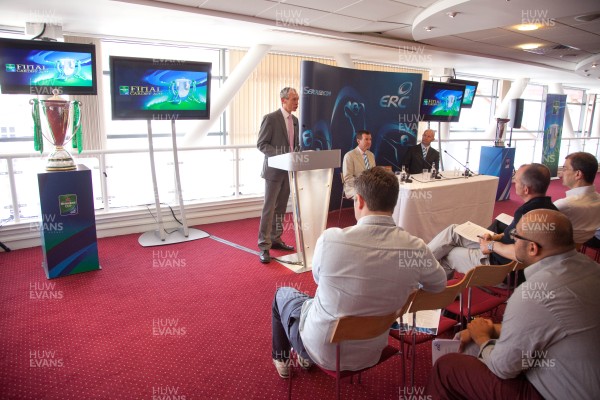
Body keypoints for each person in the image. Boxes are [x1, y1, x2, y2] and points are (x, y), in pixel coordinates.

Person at [270, 167, 447, 378]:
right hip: (371, 352)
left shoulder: (331, 239)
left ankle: (281, 357)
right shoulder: (416, 248)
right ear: (393, 203)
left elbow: (318, 279)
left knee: (282, 295)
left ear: (360, 200)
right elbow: (438, 285)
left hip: (323, 350)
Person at [427, 209, 600, 399]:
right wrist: (493, 328)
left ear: (533, 248)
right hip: (578, 375)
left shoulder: (533, 293)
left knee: (448, 365)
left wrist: (483, 337)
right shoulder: (593, 269)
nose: (511, 241)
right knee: (471, 343)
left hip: (559, 390)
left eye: (515, 237)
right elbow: (547, 328)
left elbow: (503, 368)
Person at [428, 163, 557, 277]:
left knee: (447, 254)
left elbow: (520, 252)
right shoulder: (552, 210)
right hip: (500, 251)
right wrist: (494, 238)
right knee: (454, 230)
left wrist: (490, 245)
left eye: (516, 180)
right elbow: (515, 238)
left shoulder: (526, 214)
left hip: (498, 264)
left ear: (526, 189)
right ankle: (420, 263)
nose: (514, 183)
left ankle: (433, 289)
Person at [257, 87, 299, 264]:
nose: (297, 102)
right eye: (294, 99)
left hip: (288, 171)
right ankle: (264, 246)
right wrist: (281, 156)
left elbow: (293, 145)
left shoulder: (295, 120)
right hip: (273, 171)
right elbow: (262, 144)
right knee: (269, 209)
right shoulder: (271, 118)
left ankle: (276, 238)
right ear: (283, 100)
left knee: (281, 208)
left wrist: (297, 153)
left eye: (297, 99)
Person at [553, 152, 600, 245]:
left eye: (565, 169)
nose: (562, 173)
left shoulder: (564, 205)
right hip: (581, 245)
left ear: (578, 174)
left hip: (558, 249)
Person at [341, 130, 375, 198]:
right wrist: (364, 185)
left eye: (370, 139)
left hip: (370, 187)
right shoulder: (349, 156)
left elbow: (374, 174)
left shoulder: (371, 155)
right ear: (358, 141)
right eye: (366, 139)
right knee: (368, 195)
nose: (369, 142)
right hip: (354, 187)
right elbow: (348, 178)